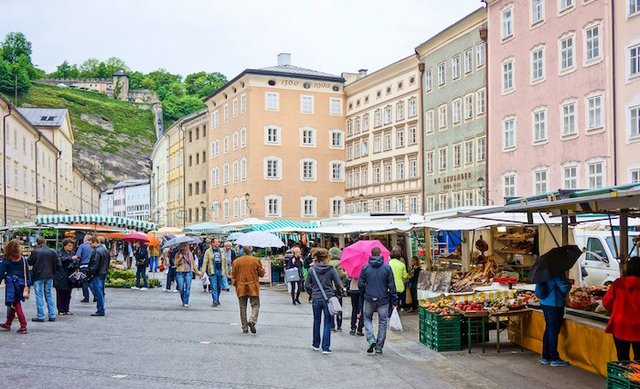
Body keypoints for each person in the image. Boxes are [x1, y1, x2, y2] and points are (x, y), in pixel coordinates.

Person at [358, 247, 397, 355]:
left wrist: (364, 292)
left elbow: (360, 283)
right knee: (383, 322)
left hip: (369, 297)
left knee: (367, 318)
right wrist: (394, 300)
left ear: (371, 254)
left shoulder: (365, 268)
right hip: (383, 299)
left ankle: (371, 338)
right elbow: (392, 285)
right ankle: (379, 347)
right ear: (380, 254)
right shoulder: (387, 268)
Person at [304, 248, 343, 354]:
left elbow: (306, 285)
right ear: (326, 258)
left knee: (316, 321)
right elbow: (338, 283)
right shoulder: (331, 269)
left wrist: (312, 294)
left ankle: (315, 344)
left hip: (316, 299)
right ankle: (325, 347)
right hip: (328, 298)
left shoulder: (312, 270)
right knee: (327, 323)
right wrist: (339, 294)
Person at [603, 256, 640, 361]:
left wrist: (616, 309)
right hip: (638, 327)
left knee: (622, 358)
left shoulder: (618, 283)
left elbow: (606, 302)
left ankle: (623, 376)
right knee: (639, 360)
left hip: (620, 325)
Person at [535, 273, 571, 367]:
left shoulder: (542, 274)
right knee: (553, 331)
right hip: (555, 305)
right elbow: (564, 288)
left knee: (548, 329)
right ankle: (554, 358)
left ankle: (545, 357)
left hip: (544, 304)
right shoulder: (556, 273)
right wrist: (569, 283)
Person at [0, 239, 31, 334]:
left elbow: (0, 274)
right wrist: (28, 284)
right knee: (13, 304)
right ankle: (8, 323)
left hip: (11, 285)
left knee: (16, 304)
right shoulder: (22, 259)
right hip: (21, 284)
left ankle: (23, 325)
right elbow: (27, 272)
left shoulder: (6, 260)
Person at [232, 246, 265, 334]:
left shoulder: (236, 261)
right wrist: (262, 270)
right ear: (250, 251)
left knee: (242, 308)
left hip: (241, 287)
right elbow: (261, 274)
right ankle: (252, 320)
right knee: (255, 305)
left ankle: (244, 327)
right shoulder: (255, 260)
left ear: (243, 251)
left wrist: (236, 284)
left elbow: (233, 276)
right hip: (253, 287)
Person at [28, 236, 59, 323]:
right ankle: (52, 314)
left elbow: (30, 261)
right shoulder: (52, 251)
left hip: (38, 275)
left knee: (39, 295)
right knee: (49, 294)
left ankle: (41, 316)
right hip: (49, 275)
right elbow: (57, 263)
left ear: (37, 243)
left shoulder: (36, 251)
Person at [86, 237, 110, 317]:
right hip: (103, 273)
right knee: (101, 292)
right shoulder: (105, 250)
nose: (90, 245)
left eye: (90, 243)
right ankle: (101, 309)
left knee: (98, 292)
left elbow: (94, 265)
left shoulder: (96, 251)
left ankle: (100, 310)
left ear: (94, 242)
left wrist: (89, 273)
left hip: (97, 274)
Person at [175, 242, 202, 308]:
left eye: (187, 246)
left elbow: (193, 264)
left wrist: (197, 272)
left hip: (188, 272)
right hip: (180, 272)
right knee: (181, 288)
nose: (187, 247)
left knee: (187, 288)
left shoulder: (190, 254)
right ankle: (183, 300)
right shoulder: (178, 254)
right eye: (186, 246)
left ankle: (185, 302)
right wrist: (180, 258)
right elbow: (175, 263)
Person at [201, 238, 227, 307]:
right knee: (214, 286)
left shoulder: (221, 251)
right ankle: (214, 300)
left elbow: (224, 262)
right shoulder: (208, 251)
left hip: (220, 271)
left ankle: (217, 298)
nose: (218, 243)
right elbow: (205, 262)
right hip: (212, 271)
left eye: (219, 242)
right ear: (212, 243)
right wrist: (202, 272)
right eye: (217, 242)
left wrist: (226, 271)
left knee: (219, 287)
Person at [54, 238, 76, 315]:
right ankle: (60, 309)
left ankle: (66, 309)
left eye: (72, 246)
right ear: (65, 245)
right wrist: (70, 259)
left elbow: (75, 262)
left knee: (68, 293)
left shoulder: (72, 252)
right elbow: (61, 260)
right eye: (69, 245)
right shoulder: (59, 252)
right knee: (61, 293)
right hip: (61, 275)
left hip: (69, 276)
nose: (70, 247)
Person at [73, 234, 93, 302]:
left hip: (83, 266)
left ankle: (86, 298)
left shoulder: (82, 246)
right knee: (91, 282)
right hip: (91, 266)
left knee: (84, 282)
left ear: (85, 239)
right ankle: (96, 296)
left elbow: (78, 256)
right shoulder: (93, 247)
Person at [329, 253, 347, 331]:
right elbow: (340, 274)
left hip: (330, 288)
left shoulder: (328, 263)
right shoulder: (339, 263)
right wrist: (345, 273)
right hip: (337, 287)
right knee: (339, 306)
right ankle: (339, 325)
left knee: (331, 306)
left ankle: (332, 325)